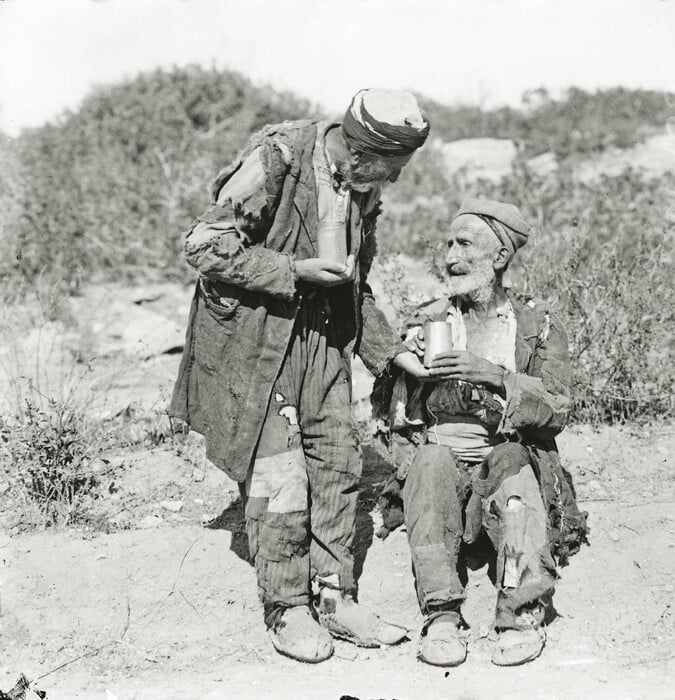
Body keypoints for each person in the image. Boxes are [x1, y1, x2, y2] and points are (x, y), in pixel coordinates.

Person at [170, 89, 433, 662]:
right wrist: (293, 268)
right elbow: (203, 245)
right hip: (257, 341)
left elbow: (356, 285)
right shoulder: (278, 159)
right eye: (387, 172)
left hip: (323, 338)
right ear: (360, 155)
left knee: (338, 462)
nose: (386, 185)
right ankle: (287, 608)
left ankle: (336, 597)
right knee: (280, 475)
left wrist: (391, 353)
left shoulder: (360, 191)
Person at [372, 198, 588, 667]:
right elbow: (394, 419)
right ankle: (443, 615)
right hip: (443, 475)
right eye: (447, 244)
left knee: (511, 461)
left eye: (465, 244)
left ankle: (520, 613)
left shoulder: (536, 324)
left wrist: (491, 374)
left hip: (506, 466)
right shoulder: (428, 320)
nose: (451, 255)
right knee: (427, 460)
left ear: (500, 257)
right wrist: (406, 373)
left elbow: (558, 409)